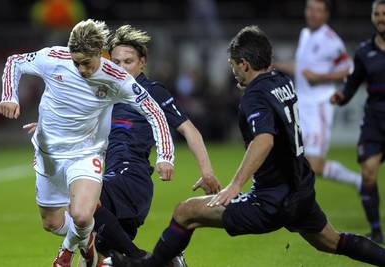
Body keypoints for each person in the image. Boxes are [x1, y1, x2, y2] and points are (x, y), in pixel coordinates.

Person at [106, 25, 385, 267]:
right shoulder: (281, 82)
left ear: (244, 64)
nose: (233, 72)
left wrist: (235, 185)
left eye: (232, 65)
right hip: (301, 191)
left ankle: (148, 264)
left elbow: (264, 140)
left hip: (270, 200)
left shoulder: (254, 95)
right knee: (332, 241)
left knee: (185, 212)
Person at [0, 19, 175, 267]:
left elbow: (154, 112)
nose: (81, 69)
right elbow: (14, 61)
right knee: (52, 223)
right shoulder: (53, 58)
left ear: (100, 53)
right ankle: (86, 243)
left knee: (82, 216)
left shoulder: (115, 78)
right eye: (76, 62)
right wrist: (9, 95)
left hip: (86, 154)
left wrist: (166, 156)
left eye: (87, 63)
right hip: (48, 154)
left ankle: (68, 251)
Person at [81, 25, 221, 267]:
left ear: (142, 63)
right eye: (116, 62)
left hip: (131, 181)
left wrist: (207, 172)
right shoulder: (106, 93)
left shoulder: (152, 92)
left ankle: (143, 259)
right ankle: (167, 261)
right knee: (100, 257)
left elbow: (189, 129)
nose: (121, 67)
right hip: (112, 180)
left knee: (84, 200)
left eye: (128, 61)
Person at [275, 0, 361, 189]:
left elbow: (349, 69)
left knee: (313, 165)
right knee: (291, 160)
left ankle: (358, 181)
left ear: (326, 15)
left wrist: (320, 77)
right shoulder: (305, 34)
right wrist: (275, 66)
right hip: (300, 106)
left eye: (318, 10)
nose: (313, 14)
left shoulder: (331, 40)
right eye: (310, 9)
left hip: (318, 107)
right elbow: (302, 69)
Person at [330, 0, 385, 244]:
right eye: (378, 13)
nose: (382, 18)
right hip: (374, 121)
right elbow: (353, 83)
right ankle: (376, 230)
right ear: (372, 17)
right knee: (369, 174)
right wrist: (341, 96)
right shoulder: (364, 51)